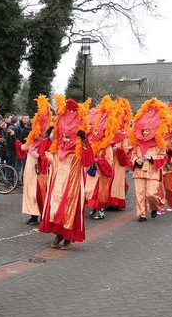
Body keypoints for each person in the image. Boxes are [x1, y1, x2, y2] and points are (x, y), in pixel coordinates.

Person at [39, 96, 94, 250]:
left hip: (72, 187)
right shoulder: (57, 148)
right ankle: (59, 234)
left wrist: (84, 141)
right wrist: (47, 136)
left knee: (68, 208)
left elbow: (88, 160)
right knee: (55, 207)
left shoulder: (78, 150)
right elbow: (43, 152)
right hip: (57, 185)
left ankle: (67, 237)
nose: (65, 138)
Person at [128, 98, 168, 222]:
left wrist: (151, 158)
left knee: (151, 194)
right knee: (139, 194)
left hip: (153, 172)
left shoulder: (159, 144)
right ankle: (142, 214)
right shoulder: (137, 143)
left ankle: (154, 207)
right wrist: (136, 160)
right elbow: (132, 155)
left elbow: (163, 157)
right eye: (144, 130)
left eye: (148, 130)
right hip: (139, 172)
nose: (145, 133)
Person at [85, 96, 118, 220]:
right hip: (92, 172)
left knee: (99, 192)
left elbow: (109, 161)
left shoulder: (107, 146)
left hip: (101, 173)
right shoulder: (92, 143)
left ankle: (100, 211)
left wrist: (98, 161)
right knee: (89, 190)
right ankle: (94, 208)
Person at [21, 95, 51, 225]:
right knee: (30, 192)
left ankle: (43, 215)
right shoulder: (32, 141)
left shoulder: (47, 142)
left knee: (40, 193)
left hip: (40, 173)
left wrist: (39, 157)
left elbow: (51, 159)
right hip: (30, 172)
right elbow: (23, 147)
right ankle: (33, 216)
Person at [107, 97, 132, 211]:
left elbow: (126, 149)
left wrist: (118, 149)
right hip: (109, 161)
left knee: (117, 181)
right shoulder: (108, 134)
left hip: (118, 162)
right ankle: (107, 202)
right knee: (108, 180)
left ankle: (116, 202)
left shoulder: (124, 136)